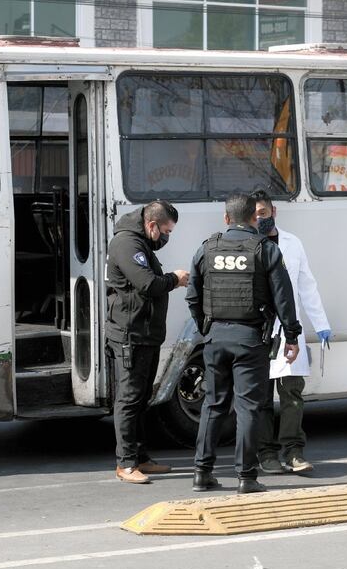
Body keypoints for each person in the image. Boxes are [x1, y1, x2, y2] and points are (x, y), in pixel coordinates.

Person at [186, 193, 302, 494]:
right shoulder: (266, 250)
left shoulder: (206, 248)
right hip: (250, 340)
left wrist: (207, 328)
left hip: (215, 338)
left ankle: (202, 473)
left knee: (213, 404)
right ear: (256, 218)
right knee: (248, 408)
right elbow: (283, 298)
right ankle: (247, 478)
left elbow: (193, 296)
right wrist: (292, 335)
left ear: (226, 219)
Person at [105, 200, 189, 484]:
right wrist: (174, 279)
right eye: (165, 230)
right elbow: (147, 284)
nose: (166, 237)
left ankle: (140, 457)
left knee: (141, 399)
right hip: (131, 334)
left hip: (146, 333)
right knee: (129, 399)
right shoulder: (127, 244)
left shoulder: (141, 241)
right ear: (151, 224)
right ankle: (126, 463)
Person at [252, 189, 331, 475]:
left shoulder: (292, 243)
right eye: (255, 214)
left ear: (274, 212)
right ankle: (266, 453)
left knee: (292, 394)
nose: (259, 218)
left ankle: (293, 451)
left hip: (289, 332)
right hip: (259, 332)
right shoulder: (248, 244)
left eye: (263, 213)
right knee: (261, 397)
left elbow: (306, 285)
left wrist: (321, 323)